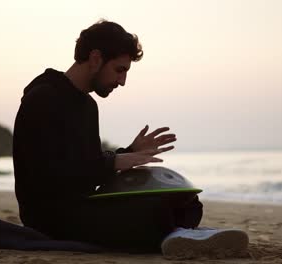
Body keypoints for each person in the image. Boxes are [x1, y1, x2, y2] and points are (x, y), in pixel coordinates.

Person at [13, 20, 248, 257]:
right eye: (120, 69)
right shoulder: (43, 98)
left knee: (187, 201)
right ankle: (177, 234)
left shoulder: (87, 105)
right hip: (50, 217)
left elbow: (86, 165)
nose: (122, 81)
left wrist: (128, 151)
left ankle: (177, 234)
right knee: (156, 211)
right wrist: (115, 162)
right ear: (95, 59)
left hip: (82, 205)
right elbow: (49, 176)